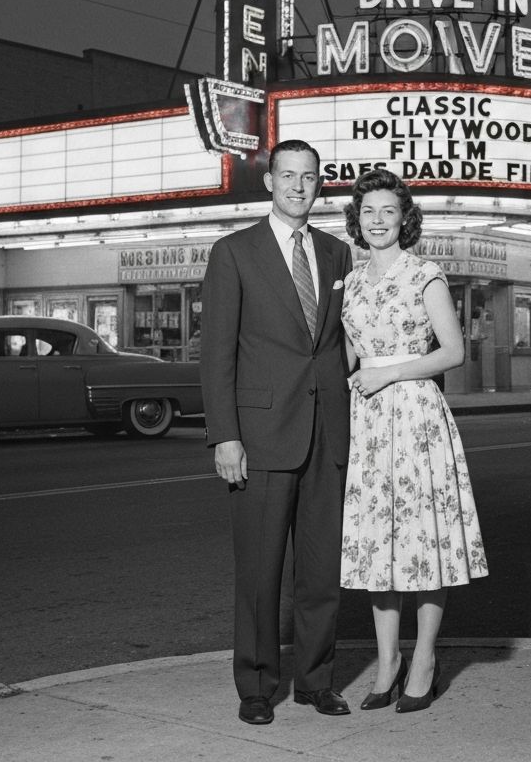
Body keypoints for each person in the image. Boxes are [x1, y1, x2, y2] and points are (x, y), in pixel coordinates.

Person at [201, 139, 353, 725]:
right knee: (260, 574)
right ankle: (257, 689)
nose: (298, 186)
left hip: (327, 437)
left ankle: (317, 682)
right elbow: (216, 354)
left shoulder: (338, 254)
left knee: (321, 573)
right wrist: (225, 436)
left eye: (309, 177)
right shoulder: (234, 252)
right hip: (259, 437)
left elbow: (341, 344)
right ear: (269, 183)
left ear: (319, 184)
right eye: (287, 175)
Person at [339, 168, 488, 714]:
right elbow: (349, 356)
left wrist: (390, 373)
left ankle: (423, 658)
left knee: (424, 542)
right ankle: (387, 663)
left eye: (388, 212)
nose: (377, 221)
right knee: (379, 543)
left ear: (405, 219)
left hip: (416, 416)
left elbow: (452, 352)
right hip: (368, 423)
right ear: (357, 219)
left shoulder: (425, 274)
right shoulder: (350, 282)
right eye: (368, 212)